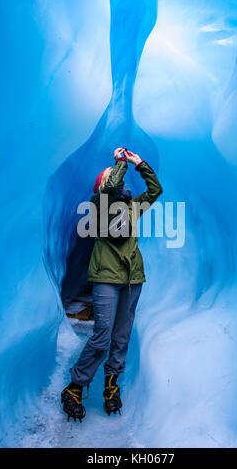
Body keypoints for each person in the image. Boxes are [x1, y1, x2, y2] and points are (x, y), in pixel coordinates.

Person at [61, 147, 163, 422]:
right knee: (102, 336)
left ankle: (111, 386)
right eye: (112, 179)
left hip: (132, 279)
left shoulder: (132, 206)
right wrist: (118, 162)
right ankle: (75, 387)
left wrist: (139, 163)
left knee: (121, 338)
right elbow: (110, 186)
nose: (119, 182)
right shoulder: (99, 204)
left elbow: (155, 191)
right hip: (106, 277)